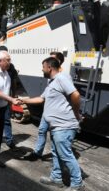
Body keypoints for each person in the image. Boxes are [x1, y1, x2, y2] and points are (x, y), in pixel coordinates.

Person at [21, 57, 84, 191]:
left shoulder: (61, 79)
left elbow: (76, 95)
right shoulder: (51, 83)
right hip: (56, 126)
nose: (42, 69)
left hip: (64, 126)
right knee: (57, 153)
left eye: (43, 67)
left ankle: (77, 184)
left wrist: (76, 114)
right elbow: (41, 99)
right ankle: (56, 178)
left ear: (49, 67)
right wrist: (23, 101)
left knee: (65, 155)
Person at [24, 51, 64, 161]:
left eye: (51, 59)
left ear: (57, 62)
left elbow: (74, 95)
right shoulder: (51, 76)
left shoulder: (62, 77)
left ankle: (57, 159)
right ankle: (37, 153)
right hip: (47, 110)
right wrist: (25, 101)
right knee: (42, 131)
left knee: (55, 137)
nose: (47, 62)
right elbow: (44, 97)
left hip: (56, 114)